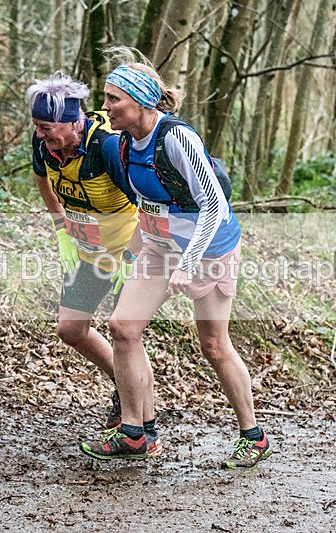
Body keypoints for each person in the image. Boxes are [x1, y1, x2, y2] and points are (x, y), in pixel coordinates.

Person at [78, 49, 272, 468]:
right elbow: (146, 205)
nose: (106, 107)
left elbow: (213, 206)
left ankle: (252, 436)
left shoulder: (177, 139)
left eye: (114, 99)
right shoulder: (125, 145)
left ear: (143, 102)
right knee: (123, 327)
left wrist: (188, 263)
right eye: (106, 98)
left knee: (214, 346)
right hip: (159, 249)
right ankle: (135, 432)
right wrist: (120, 256)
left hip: (210, 249)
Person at [26, 73, 161, 454]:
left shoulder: (106, 146)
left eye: (47, 128)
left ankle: (144, 431)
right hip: (87, 252)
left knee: (126, 334)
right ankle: (124, 387)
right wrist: (60, 228)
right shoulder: (45, 146)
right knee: (71, 328)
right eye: (37, 127)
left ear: (73, 122)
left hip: (127, 250)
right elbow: (42, 179)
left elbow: (146, 203)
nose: (40, 135)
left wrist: (132, 259)